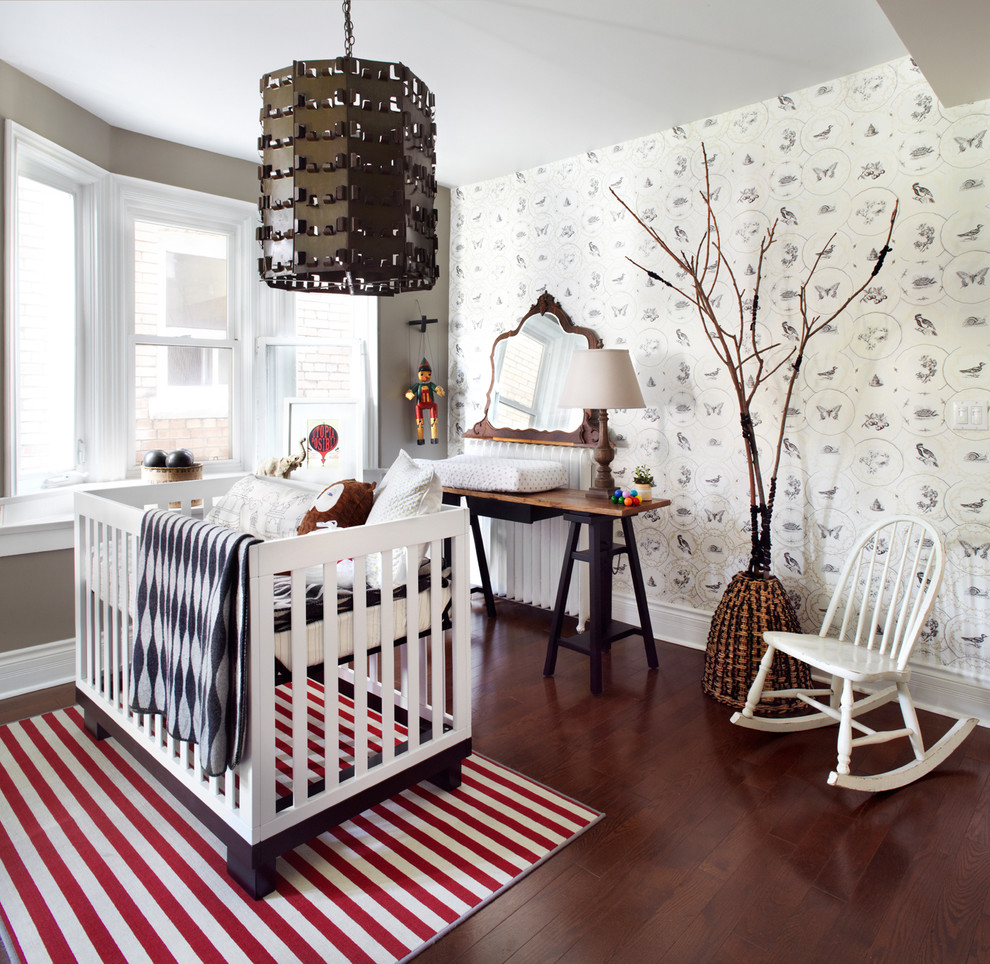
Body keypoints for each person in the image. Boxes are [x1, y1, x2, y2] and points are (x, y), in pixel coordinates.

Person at [405, 357, 445, 444]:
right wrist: (409, 394)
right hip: (420, 404)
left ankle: (434, 438)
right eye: (422, 374)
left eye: (428, 374)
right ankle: (420, 439)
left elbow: (437, 389)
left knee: (434, 420)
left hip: (430, 404)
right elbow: (410, 391)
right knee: (419, 422)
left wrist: (439, 390)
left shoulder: (431, 385)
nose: (426, 377)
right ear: (419, 374)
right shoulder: (418, 385)